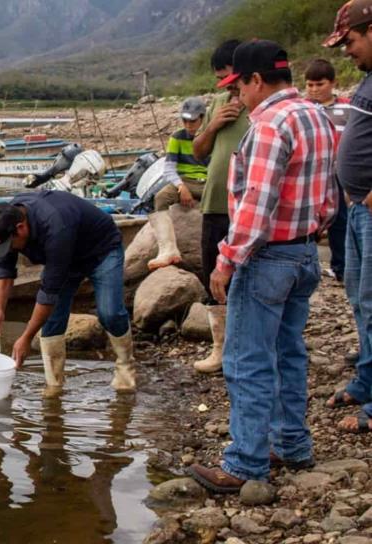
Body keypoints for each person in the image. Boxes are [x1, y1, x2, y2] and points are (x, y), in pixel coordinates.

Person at [188, 40, 338, 493]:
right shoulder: (318, 115)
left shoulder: (270, 123)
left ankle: (245, 463)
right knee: (288, 352)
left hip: (267, 255)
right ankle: (291, 443)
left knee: (247, 360)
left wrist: (227, 260)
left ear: (257, 80)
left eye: (241, 86)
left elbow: (256, 201)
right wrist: (314, 229)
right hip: (304, 250)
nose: (239, 97)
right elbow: (329, 192)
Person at [0, 192, 135, 397]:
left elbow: (49, 293)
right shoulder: (6, 220)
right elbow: (4, 269)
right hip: (63, 258)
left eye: (8, 244)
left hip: (101, 251)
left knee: (110, 313)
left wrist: (26, 338)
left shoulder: (55, 226)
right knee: (52, 321)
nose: (7, 249)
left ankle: (125, 368)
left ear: (21, 228)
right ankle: (54, 384)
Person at [323, 0, 372, 434]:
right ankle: (368, 378)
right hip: (356, 208)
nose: (347, 52)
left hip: (369, 209)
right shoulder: (368, 80)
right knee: (360, 298)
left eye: (351, 41)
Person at [190, 39, 251, 375]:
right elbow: (198, 151)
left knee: (246, 274)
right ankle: (219, 349)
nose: (226, 86)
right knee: (211, 273)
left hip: (246, 206)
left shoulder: (261, 106)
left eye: (229, 78)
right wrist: (213, 125)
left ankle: (245, 347)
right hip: (214, 202)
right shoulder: (216, 104)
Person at [147, 97, 210, 270]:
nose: (189, 125)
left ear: (203, 118)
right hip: (186, 182)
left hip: (209, 183)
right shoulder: (177, 137)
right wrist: (181, 186)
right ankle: (168, 249)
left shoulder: (211, 136)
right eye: (185, 120)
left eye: (193, 121)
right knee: (161, 198)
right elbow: (169, 169)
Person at [305, 58, 352, 281]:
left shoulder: (346, 108)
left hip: (338, 175)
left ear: (333, 83)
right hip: (312, 176)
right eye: (310, 85)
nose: (314, 90)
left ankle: (341, 267)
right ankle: (308, 265)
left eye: (320, 84)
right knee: (310, 220)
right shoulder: (303, 109)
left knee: (340, 220)